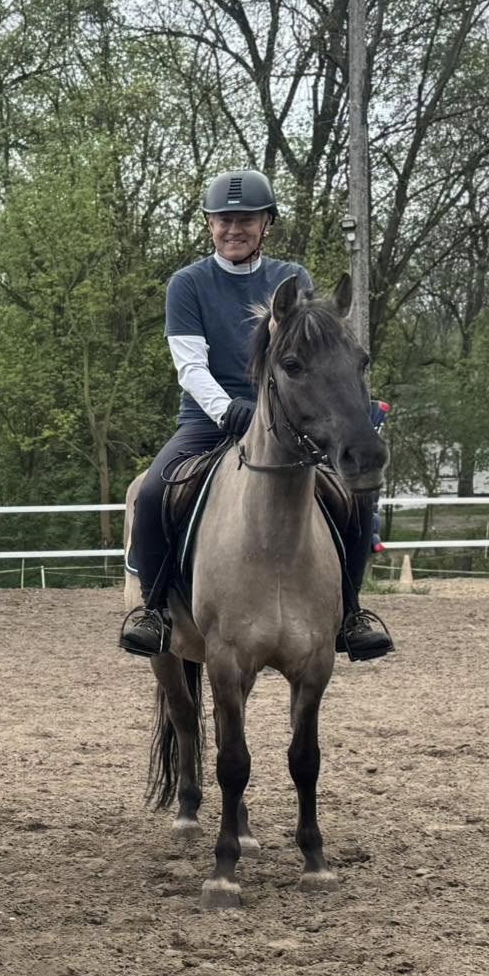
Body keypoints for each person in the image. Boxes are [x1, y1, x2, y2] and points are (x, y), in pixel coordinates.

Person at [119, 168, 393, 661]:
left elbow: (309, 360)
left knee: (353, 499)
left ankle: (350, 611)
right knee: (154, 490)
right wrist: (227, 412)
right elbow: (189, 365)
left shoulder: (293, 280)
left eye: (246, 220)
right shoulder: (188, 284)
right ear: (209, 226)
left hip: (286, 422)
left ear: (267, 224)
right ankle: (154, 610)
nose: (234, 229)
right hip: (207, 419)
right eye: (224, 221)